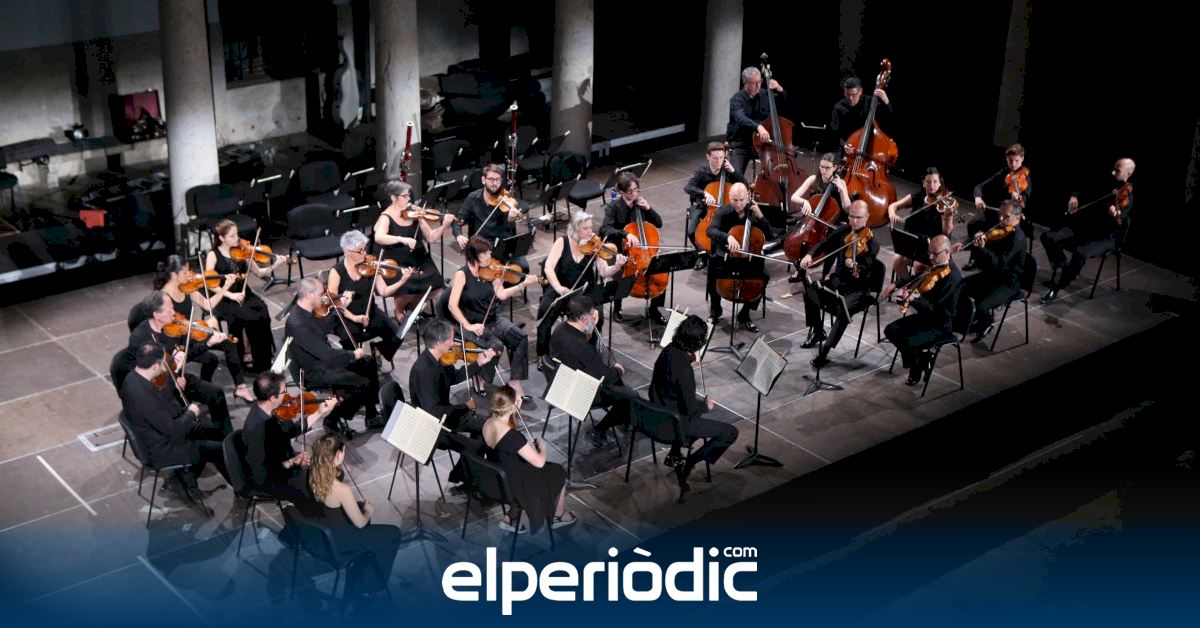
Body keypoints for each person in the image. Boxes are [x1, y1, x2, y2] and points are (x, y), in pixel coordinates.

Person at [119, 343, 230, 515]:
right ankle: (239, 487)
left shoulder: (132, 378)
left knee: (210, 430)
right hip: (161, 448)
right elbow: (173, 430)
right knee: (216, 449)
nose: (165, 366)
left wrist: (173, 383)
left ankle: (180, 480)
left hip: (157, 433)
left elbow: (159, 395)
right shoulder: (143, 395)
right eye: (163, 363)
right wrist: (191, 413)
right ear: (155, 366)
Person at [649, 315, 739, 494]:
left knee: (689, 409)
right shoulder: (685, 369)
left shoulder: (668, 350)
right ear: (698, 342)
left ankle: (675, 454)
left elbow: (670, 377)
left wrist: (687, 359)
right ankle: (688, 463)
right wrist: (706, 406)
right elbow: (689, 408)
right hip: (673, 424)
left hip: (656, 413)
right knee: (730, 432)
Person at [306, 433, 403, 596]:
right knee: (393, 534)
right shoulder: (342, 490)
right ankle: (367, 586)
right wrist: (368, 511)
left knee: (363, 516)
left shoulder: (313, 474)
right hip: (342, 540)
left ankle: (363, 570)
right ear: (339, 455)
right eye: (343, 451)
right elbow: (361, 523)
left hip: (326, 532)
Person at [284, 277, 380, 436]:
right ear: (309, 295)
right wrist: (353, 355)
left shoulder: (306, 311)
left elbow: (322, 328)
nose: (324, 297)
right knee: (362, 384)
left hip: (322, 361)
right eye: (321, 294)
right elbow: (328, 355)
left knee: (368, 363)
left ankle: (371, 415)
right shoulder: (298, 323)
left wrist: (341, 308)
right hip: (312, 371)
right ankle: (332, 418)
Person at [128, 290, 232, 433]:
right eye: (169, 310)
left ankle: (225, 437)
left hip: (178, 378)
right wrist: (172, 379)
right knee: (190, 425)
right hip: (159, 390)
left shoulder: (172, 328)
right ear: (157, 315)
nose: (174, 313)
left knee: (216, 393)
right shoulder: (140, 338)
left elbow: (188, 352)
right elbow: (141, 377)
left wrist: (208, 343)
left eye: (173, 308)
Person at [152, 255, 252, 402]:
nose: (189, 275)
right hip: (176, 346)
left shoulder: (186, 287)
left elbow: (207, 304)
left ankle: (241, 387)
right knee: (211, 359)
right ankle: (203, 390)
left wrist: (225, 287)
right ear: (173, 275)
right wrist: (203, 325)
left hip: (192, 335)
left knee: (227, 341)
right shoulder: (162, 298)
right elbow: (172, 324)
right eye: (185, 272)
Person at [448, 237, 538, 399]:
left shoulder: (491, 270)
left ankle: (515, 382)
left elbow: (501, 294)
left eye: (490, 252)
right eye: (485, 254)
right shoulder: (462, 274)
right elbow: (452, 305)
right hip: (471, 324)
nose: (490, 256)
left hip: (491, 319)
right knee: (496, 345)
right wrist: (468, 325)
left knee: (520, 338)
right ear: (475, 255)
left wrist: (522, 285)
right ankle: (480, 377)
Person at [481, 385, 577, 532]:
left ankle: (510, 519)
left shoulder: (488, 423)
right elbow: (539, 462)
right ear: (514, 404)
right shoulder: (513, 437)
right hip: (517, 484)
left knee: (535, 468)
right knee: (557, 471)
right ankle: (558, 515)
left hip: (499, 477)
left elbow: (506, 451)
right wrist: (542, 446)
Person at [1040, 158, 1135, 304]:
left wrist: (1115, 213)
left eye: (1117, 171)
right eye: (1113, 168)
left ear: (1128, 174)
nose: (1112, 172)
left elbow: (1120, 221)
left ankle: (1057, 287)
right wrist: (1074, 196)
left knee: (1080, 253)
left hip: (1105, 237)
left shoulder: (1128, 196)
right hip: (1086, 228)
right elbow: (1082, 187)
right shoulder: (1106, 182)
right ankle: (1064, 267)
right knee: (1048, 237)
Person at [548, 296, 638, 448]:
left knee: (620, 385)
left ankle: (626, 416)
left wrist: (591, 328)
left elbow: (584, 347)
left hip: (561, 382)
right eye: (592, 314)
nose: (594, 317)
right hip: (579, 393)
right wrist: (617, 370)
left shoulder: (560, 329)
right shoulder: (581, 347)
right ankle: (599, 430)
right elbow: (603, 376)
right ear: (584, 318)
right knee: (630, 396)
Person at [797, 200, 878, 367]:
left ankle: (824, 352)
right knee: (809, 292)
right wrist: (810, 255)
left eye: (859, 218)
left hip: (858, 289)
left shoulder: (871, 243)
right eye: (852, 217)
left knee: (843, 311)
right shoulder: (844, 231)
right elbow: (824, 243)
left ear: (867, 217)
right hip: (838, 282)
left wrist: (855, 266)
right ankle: (818, 332)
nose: (854, 221)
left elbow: (868, 270)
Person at [535, 211, 626, 358]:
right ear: (575, 228)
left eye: (591, 227)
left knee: (598, 315)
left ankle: (588, 351)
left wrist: (617, 266)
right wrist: (558, 287)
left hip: (584, 292)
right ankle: (543, 353)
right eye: (585, 228)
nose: (590, 232)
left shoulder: (594, 245)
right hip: (561, 288)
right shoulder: (562, 242)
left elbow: (603, 271)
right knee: (544, 311)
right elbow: (548, 267)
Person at [206, 218, 286, 375]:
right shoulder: (213, 255)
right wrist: (231, 294)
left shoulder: (242, 251)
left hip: (244, 293)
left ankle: (262, 358)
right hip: (224, 297)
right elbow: (210, 284)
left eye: (237, 234)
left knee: (262, 311)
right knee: (246, 317)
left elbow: (260, 273)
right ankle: (244, 354)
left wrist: (276, 264)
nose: (236, 238)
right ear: (221, 238)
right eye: (232, 236)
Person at [242, 371, 337, 500]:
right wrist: (292, 461)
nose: (287, 394)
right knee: (322, 484)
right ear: (272, 398)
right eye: (283, 391)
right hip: (274, 480)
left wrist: (319, 412)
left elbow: (291, 430)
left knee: (330, 473)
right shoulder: (257, 430)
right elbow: (262, 473)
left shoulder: (271, 410)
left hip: (285, 461)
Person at [327, 230, 413, 369]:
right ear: (348, 252)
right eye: (360, 251)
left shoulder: (371, 264)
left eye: (364, 249)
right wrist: (355, 318)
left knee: (398, 334)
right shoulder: (336, 271)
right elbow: (334, 303)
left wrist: (402, 281)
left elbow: (384, 291)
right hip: (347, 316)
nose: (364, 253)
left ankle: (378, 348)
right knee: (350, 343)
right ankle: (354, 368)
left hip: (370, 312)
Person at [373, 179, 455, 325]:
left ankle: (413, 307)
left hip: (419, 258)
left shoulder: (414, 214)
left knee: (435, 287)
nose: (409, 199)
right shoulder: (385, 217)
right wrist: (402, 239)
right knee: (407, 290)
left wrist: (444, 226)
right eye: (405, 196)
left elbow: (430, 237)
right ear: (393, 198)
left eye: (409, 195)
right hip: (397, 262)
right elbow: (378, 237)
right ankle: (399, 310)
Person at [409, 319, 496, 456]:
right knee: (481, 437)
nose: (453, 343)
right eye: (450, 339)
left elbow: (454, 377)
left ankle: (473, 460)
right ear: (438, 342)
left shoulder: (438, 359)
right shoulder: (424, 371)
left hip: (446, 412)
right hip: (434, 425)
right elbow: (433, 411)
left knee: (487, 425)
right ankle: (472, 462)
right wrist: (465, 406)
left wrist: (478, 362)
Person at [884, 235, 962, 386]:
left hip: (940, 324)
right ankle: (921, 360)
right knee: (891, 330)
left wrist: (915, 300)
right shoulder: (935, 264)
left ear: (947, 252)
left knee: (907, 341)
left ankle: (917, 365)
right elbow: (916, 278)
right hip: (925, 318)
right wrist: (896, 284)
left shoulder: (953, 277)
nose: (930, 257)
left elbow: (937, 311)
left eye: (934, 253)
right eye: (929, 252)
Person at [600, 172, 668, 325]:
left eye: (636, 189)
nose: (634, 194)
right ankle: (617, 309)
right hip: (620, 249)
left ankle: (655, 310)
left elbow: (659, 223)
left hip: (643, 251)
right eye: (630, 191)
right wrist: (625, 234)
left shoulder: (641, 205)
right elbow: (604, 229)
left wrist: (649, 209)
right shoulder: (613, 207)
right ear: (621, 191)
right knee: (620, 270)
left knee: (658, 270)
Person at [953, 200, 1027, 342]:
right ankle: (966, 320)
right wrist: (964, 244)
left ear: (1017, 218)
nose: (1001, 219)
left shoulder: (1017, 238)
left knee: (981, 305)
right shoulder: (1000, 228)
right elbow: (985, 240)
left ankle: (986, 321)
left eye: (1006, 216)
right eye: (1000, 215)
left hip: (1008, 282)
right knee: (960, 287)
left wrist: (983, 248)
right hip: (992, 275)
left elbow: (999, 263)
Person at [705, 182, 773, 332]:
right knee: (712, 272)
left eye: (742, 200)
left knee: (764, 276)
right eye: (735, 200)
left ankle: (745, 313)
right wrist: (727, 237)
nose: (738, 204)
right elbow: (710, 231)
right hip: (726, 256)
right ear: (730, 197)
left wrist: (760, 216)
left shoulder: (754, 212)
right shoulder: (723, 212)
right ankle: (715, 310)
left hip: (749, 258)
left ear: (748, 196)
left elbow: (770, 235)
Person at [884, 167, 956, 294]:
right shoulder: (918, 196)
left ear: (940, 183)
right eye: (928, 182)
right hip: (914, 243)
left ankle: (918, 293)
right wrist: (892, 214)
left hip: (932, 249)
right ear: (923, 183)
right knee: (897, 260)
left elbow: (946, 232)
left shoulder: (944, 204)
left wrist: (948, 218)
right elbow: (893, 206)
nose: (932, 185)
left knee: (919, 265)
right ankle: (907, 286)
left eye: (935, 182)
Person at [453, 164, 533, 278]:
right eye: (491, 179)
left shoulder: (505, 198)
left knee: (522, 268)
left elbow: (523, 207)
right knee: (485, 274)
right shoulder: (473, 198)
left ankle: (507, 287)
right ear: (483, 180)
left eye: (498, 180)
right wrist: (458, 235)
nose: (495, 183)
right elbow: (458, 220)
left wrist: (510, 219)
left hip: (501, 245)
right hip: (481, 247)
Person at [684, 142, 747, 270]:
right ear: (708, 157)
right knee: (692, 232)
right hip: (704, 208)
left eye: (721, 157)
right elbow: (688, 187)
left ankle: (720, 254)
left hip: (724, 210)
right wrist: (704, 193)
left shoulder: (728, 172)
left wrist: (734, 171)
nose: (718, 161)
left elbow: (745, 185)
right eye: (715, 158)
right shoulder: (702, 172)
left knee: (730, 230)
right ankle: (702, 254)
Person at [968, 143, 1032, 269]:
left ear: (1022, 158)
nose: (1013, 164)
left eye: (1016, 161)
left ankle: (993, 261)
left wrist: (1017, 199)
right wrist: (978, 198)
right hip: (994, 211)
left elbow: (1022, 203)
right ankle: (975, 258)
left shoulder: (1026, 179)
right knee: (972, 225)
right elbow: (979, 186)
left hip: (1009, 217)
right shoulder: (1005, 172)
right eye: (1010, 161)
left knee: (996, 232)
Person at [726, 66, 786, 177]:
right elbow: (741, 118)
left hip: (762, 144)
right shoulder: (737, 99)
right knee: (735, 176)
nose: (758, 85)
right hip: (741, 144)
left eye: (759, 81)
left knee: (777, 170)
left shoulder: (765, 94)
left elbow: (784, 103)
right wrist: (758, 127)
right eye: (754, 83)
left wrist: (779, 88)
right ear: (745, 82)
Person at [830, 76, 891, 153]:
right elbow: (834, 134)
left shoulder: (870, 101)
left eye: (854, 94)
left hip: (870, 149)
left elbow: (888, 117)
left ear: (860, 91)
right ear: (844, 93)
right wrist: (844, 145)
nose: (851, 98)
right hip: (848, 152)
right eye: (848, 94)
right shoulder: (838, 107)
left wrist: (886, 101)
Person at [789, 152, 852, 220]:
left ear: (834, 167)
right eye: (822, 166)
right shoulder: (813, 178)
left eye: (827, 167)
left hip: (831, 220)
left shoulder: (841, 183)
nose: (823, 170)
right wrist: (805, 202)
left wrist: (842, 190)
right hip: (812, 217)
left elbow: (847, 209)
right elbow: (793, 197)